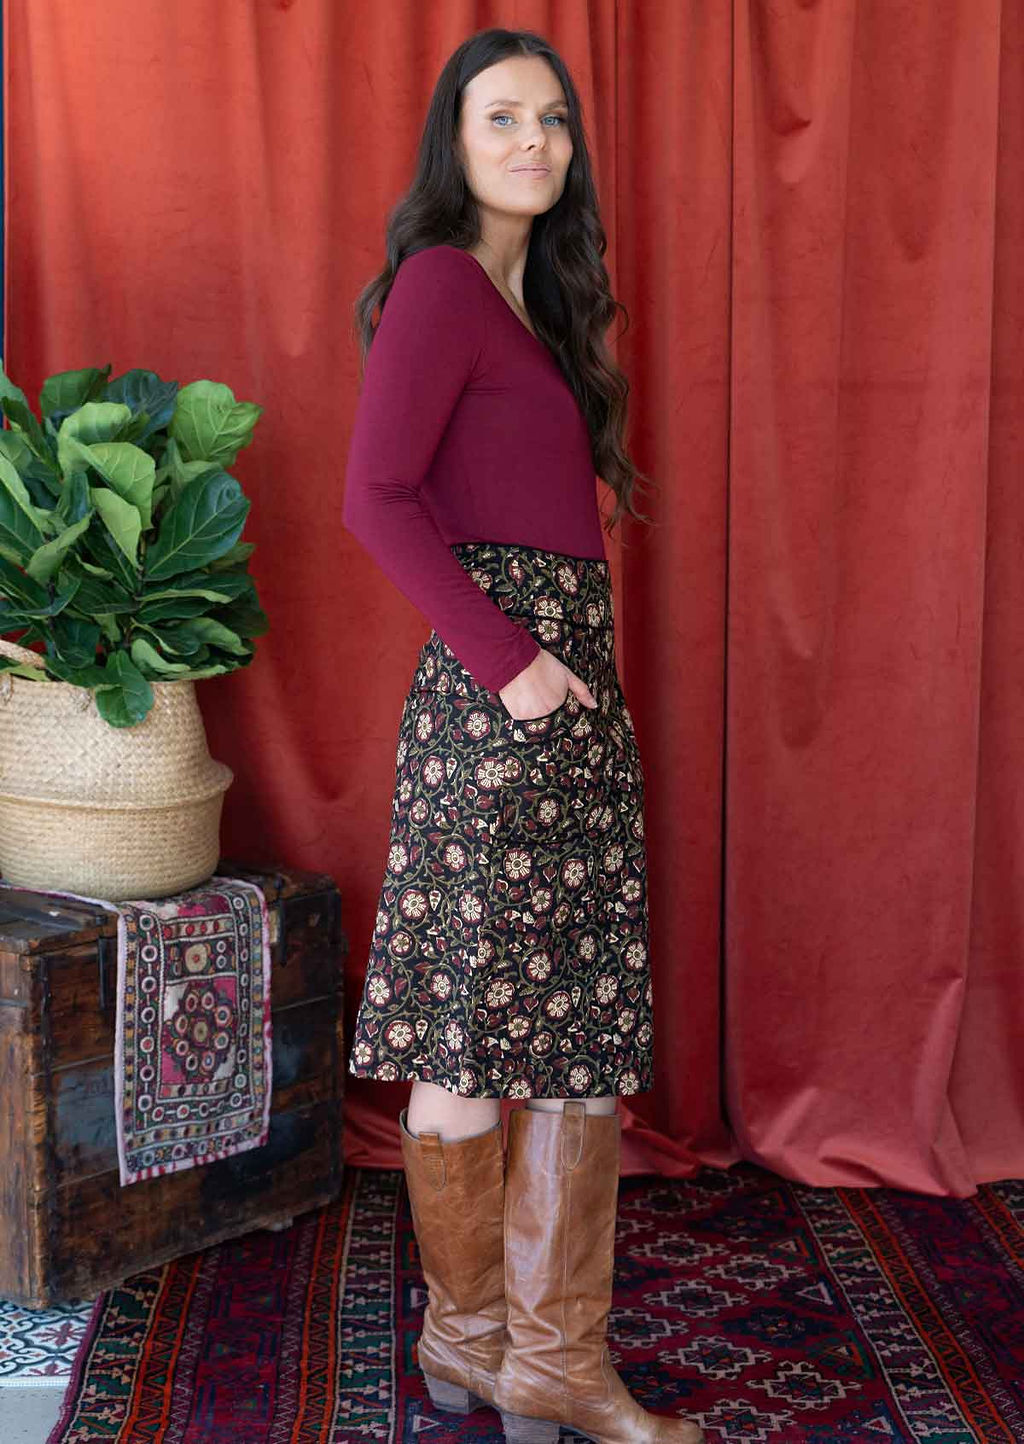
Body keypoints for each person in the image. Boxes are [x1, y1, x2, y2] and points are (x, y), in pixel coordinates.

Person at [342, 25, 704, 1444]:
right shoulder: (439, 284)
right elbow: (375, 499)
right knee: (469, 1034)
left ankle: (528, 1355)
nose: (535, 142)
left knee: (566, 1032)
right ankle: (480, 1338)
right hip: (504, 704)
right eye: (503, 119)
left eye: (553, 120)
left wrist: (566, 680)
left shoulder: (530, 303)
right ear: (455, 140)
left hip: (564, 691)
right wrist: (514, 670)